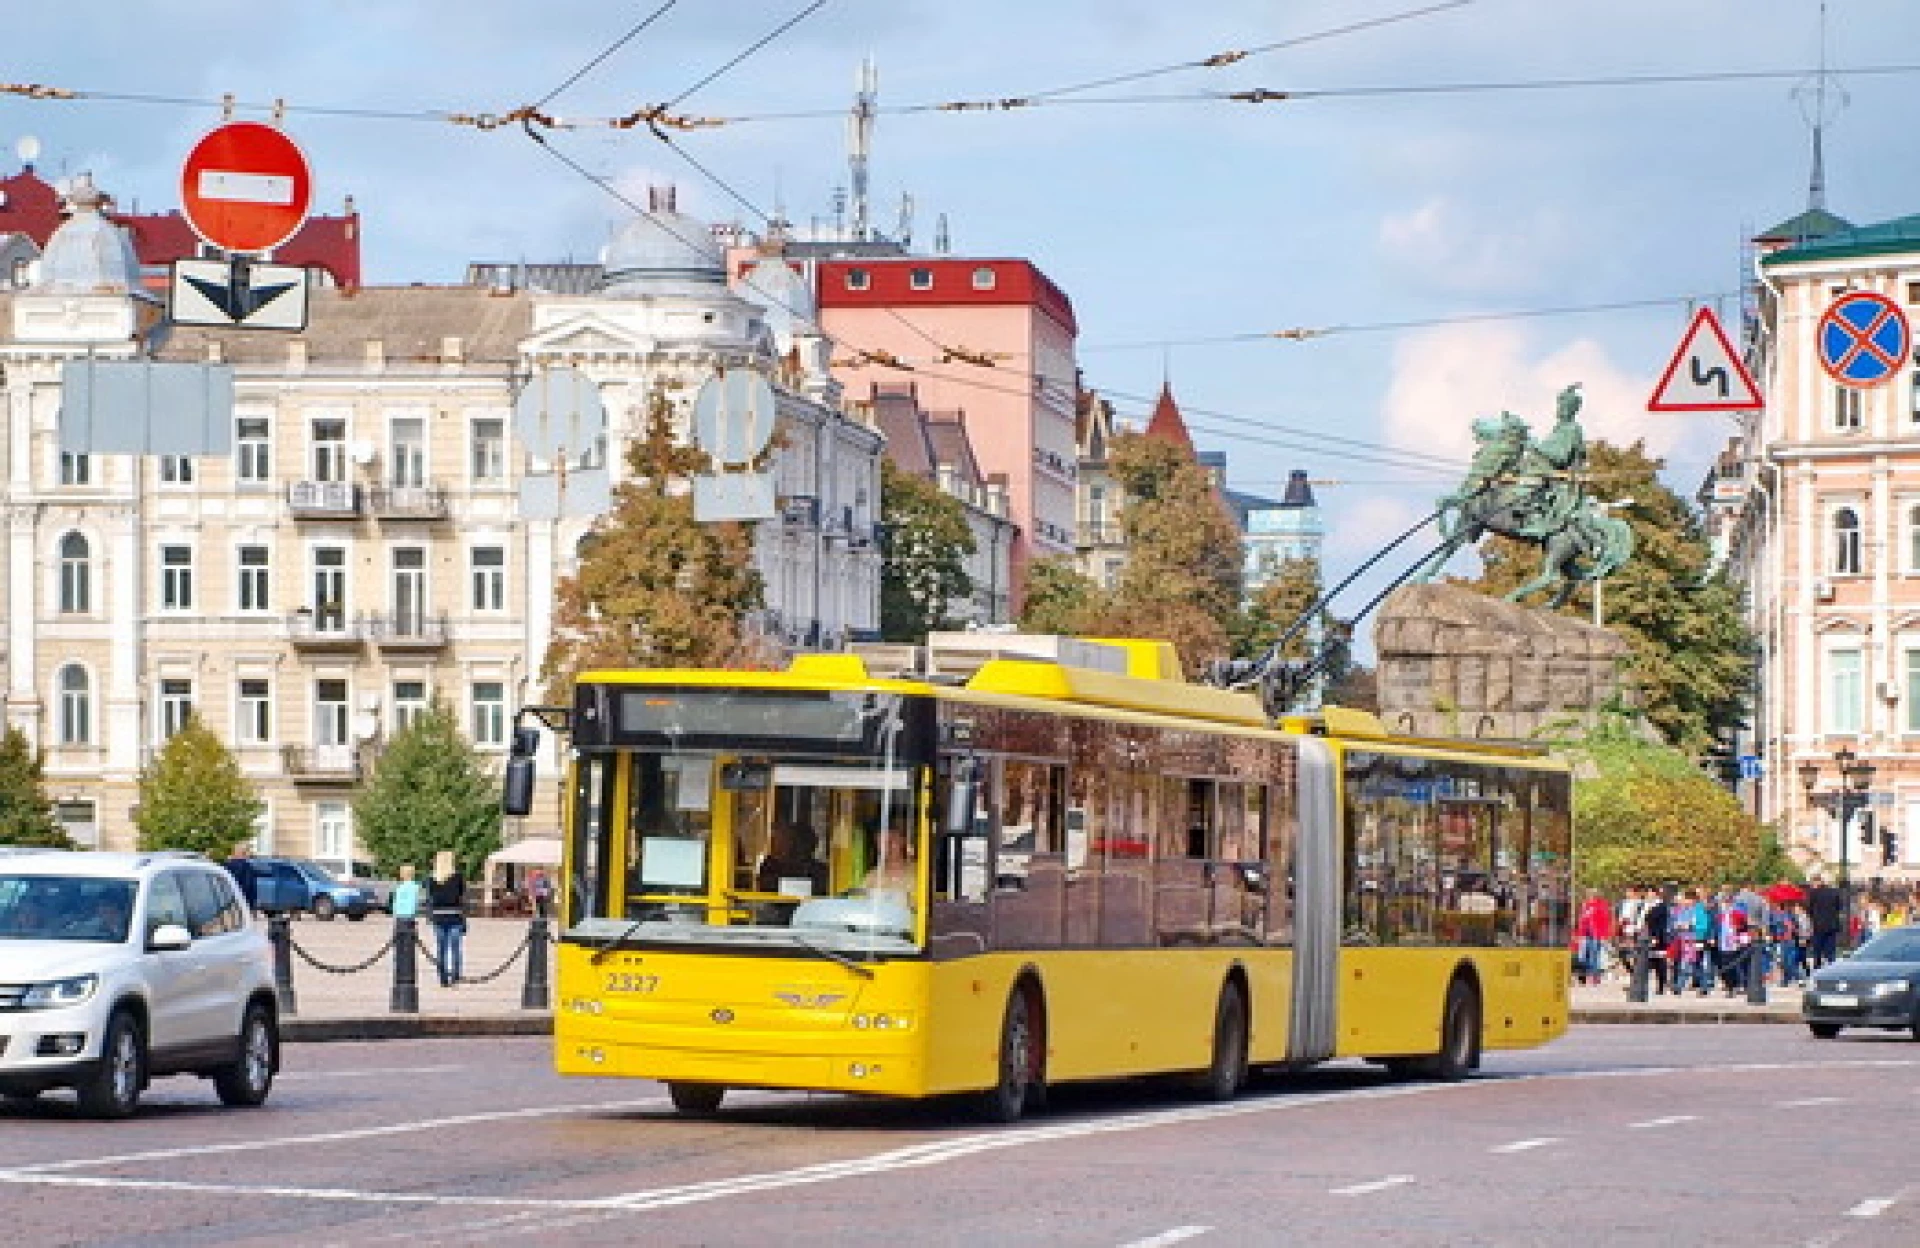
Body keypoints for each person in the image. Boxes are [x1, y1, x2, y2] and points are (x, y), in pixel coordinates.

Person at [756, 821, 828, 897]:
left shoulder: (818, 870)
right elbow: (766, 886)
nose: (776, 844)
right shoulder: (770, 865)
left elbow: (819, 891)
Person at [428, 851, 467, 988]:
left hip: (438, 916)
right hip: (455, 915)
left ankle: (443, 978)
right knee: (456, 948)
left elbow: (431, 897)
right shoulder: (458, 877)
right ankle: (456, 976)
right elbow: (461, 894)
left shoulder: (432, 879)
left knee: (441, 949)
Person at [1806, 874, 1843, 969]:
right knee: (1831, 950)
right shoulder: (1834, 892)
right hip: (1832, 925)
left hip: (1818, 926)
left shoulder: (1814, 893)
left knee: (1817, 951)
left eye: (1812, 883)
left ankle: (1817, 969)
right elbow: (1839, 907)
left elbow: (1809, 909)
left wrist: (1813, 917)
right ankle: (1832, 969)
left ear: (1816, 882)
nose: (1811, 885)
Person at [223, 843, 259, 909]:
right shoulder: (247, 867)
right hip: (242, 905)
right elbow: (248, 887)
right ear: (244, 853)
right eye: (248, 852)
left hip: (226, 904)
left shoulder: (225, 866)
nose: (249, 855)